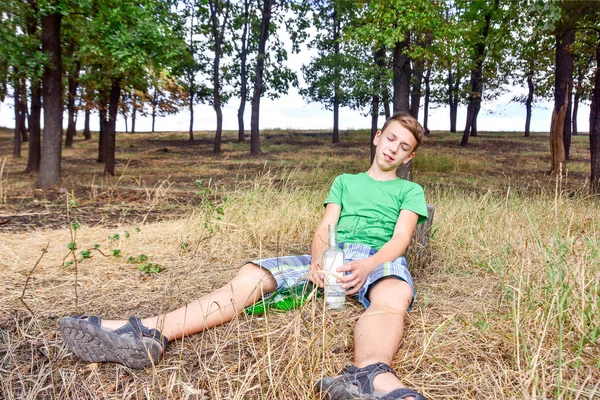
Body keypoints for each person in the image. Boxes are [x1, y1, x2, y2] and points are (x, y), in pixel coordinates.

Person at [60, 112, 429, 400]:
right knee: (253, 273)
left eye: (403, 145)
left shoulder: (409, 189)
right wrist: (318, 261)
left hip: (378, 257)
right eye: (390, 138)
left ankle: (372, 377)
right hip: (333, 254)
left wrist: (368, 265)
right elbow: (324, 227)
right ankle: (151, 332)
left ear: (409, 155)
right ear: (378, 137)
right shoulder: (346, 181)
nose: (393, 148)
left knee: (393, 297)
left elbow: (400, 240)